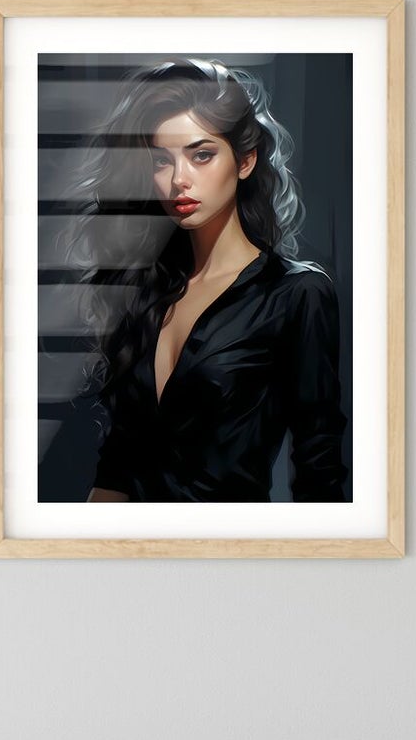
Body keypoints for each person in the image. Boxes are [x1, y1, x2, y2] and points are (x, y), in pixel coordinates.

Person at [65, 59, 346, 502]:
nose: (178, 179)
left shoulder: (296, 294)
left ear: (246, 160)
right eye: (161, 160)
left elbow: (319, 467)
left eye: (201, 154)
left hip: (228, 558)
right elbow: (116, 470)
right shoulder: (145, 290)